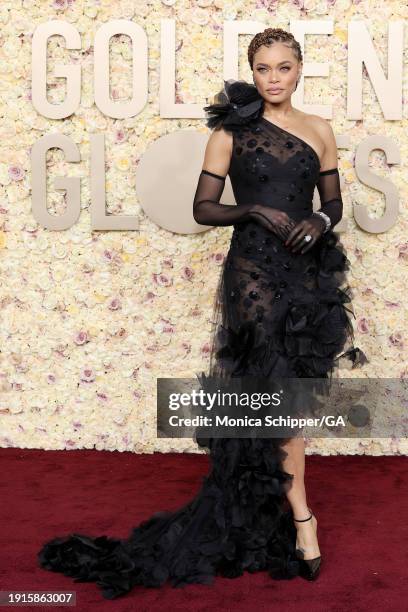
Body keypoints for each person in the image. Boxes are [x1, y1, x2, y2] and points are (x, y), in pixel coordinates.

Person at [37, 28, 368, 599]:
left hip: (306, 276)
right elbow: (203, 207)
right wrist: (258, 210)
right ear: (252, 71)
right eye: (263, 69)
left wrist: (322, 221)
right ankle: (303, 522)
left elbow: (333, 203)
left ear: (300, 70)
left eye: (284, 68)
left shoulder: (320, 130)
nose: (273, 79)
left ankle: (271, 514)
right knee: (274, 398)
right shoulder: (229, 132)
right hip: (255, 278)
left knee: (281, 399)